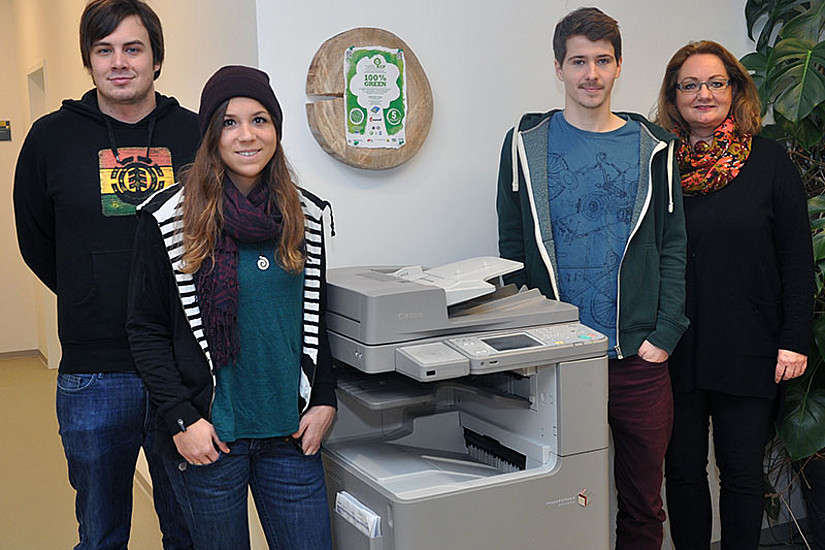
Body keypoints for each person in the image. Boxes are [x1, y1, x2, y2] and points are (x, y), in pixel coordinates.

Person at [496, 7, 689, 549]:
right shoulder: (523, 144)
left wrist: (664, 335)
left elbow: (673, 243)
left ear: (619, 65)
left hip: (638, 360)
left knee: (643, 506)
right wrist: (531, 337)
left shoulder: (654, 147)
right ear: (558, 68)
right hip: (558, 357)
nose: (591, 74)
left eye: (602, 61)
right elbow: (511, 248)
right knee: (558, 501)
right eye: (578, 61)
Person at [126, 65, 337, 550]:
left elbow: (315, 319)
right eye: (230, 122)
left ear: (276, 131)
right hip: (210, 436)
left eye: (260, 120)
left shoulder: (304, 215)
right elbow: (145, 330)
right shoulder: (169, 218)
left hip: (290, 433)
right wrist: (182, 419)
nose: (247, 135)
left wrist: (324, 398)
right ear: (211, 134)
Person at [13, 1, 198, 548]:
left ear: (156, 59)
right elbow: (36, 241)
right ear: (89, 62)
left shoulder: (194, 135)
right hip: (94, 373)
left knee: (190, 530)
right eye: (104, 50)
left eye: (133, 48)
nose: (119, 62)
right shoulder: (50, 139)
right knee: (100, 534)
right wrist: (88, 287)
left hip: (183, 370)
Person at [655, 40, 814, 549]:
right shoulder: (656, 167)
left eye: (715, 83)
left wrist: (795, 339)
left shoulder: (770, 161)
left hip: (750, 347)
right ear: (674, 95)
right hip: (673, 347)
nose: (703, 94)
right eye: (690, 85)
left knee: (742, 477)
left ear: (735, 90)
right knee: (681, 475)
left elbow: (796, 258)